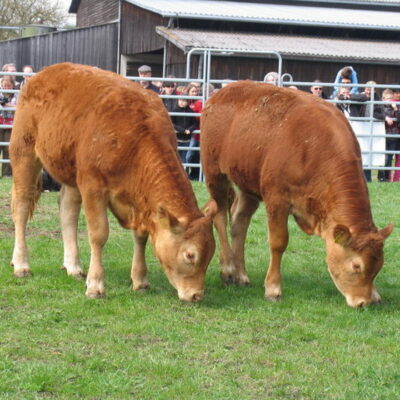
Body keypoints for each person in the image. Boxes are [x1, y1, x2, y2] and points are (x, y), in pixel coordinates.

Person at [377, 89, 400, 182]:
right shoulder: (379, 107)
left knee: (389, 158)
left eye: (391, 98)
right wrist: (385, 117)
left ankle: (388, 178)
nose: (389, 100)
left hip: (393, 136)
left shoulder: (396, 107)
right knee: (382, 158)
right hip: (382, 135)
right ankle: (381, 177)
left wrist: (395, 109)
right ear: (383, 98)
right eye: (387, 98)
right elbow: (375, 114)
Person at [170, 94, 197, 164]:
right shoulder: (174, 111)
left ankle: (185, 173)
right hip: (177, 139)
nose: (182, 102)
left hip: (187, 140)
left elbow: (194, 123)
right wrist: (182, 130)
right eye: (180, 100)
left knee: (185, 159)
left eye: (184, 101)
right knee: (175, 159)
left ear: (188, 102)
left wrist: (190, 130)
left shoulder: (190, 111)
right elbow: (172, 123)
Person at [0, 76, 16, 177]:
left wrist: (7, 104)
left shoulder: (16, 94)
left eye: (8, 85)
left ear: (12, 85)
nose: (6, 87)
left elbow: (19, 106)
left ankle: (7, 173)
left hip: (11, 125)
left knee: (7, 149)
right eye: (4, 85)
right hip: (0, 124)